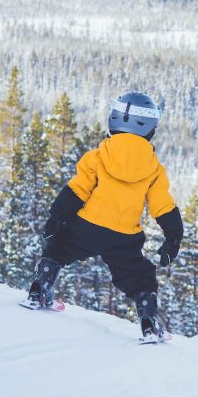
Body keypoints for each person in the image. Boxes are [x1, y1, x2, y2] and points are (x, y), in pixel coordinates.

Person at [24, 91, 183, 342]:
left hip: (86, 226)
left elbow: (76, 190)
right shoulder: (154, 168)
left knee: (57, 250)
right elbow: (162, 205)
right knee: (140, 277)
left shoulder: (97, 156)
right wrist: (173, 236)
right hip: (123, 236)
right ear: (150, 127)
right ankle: (149, 322)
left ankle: (39, 290)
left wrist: (56, 219)